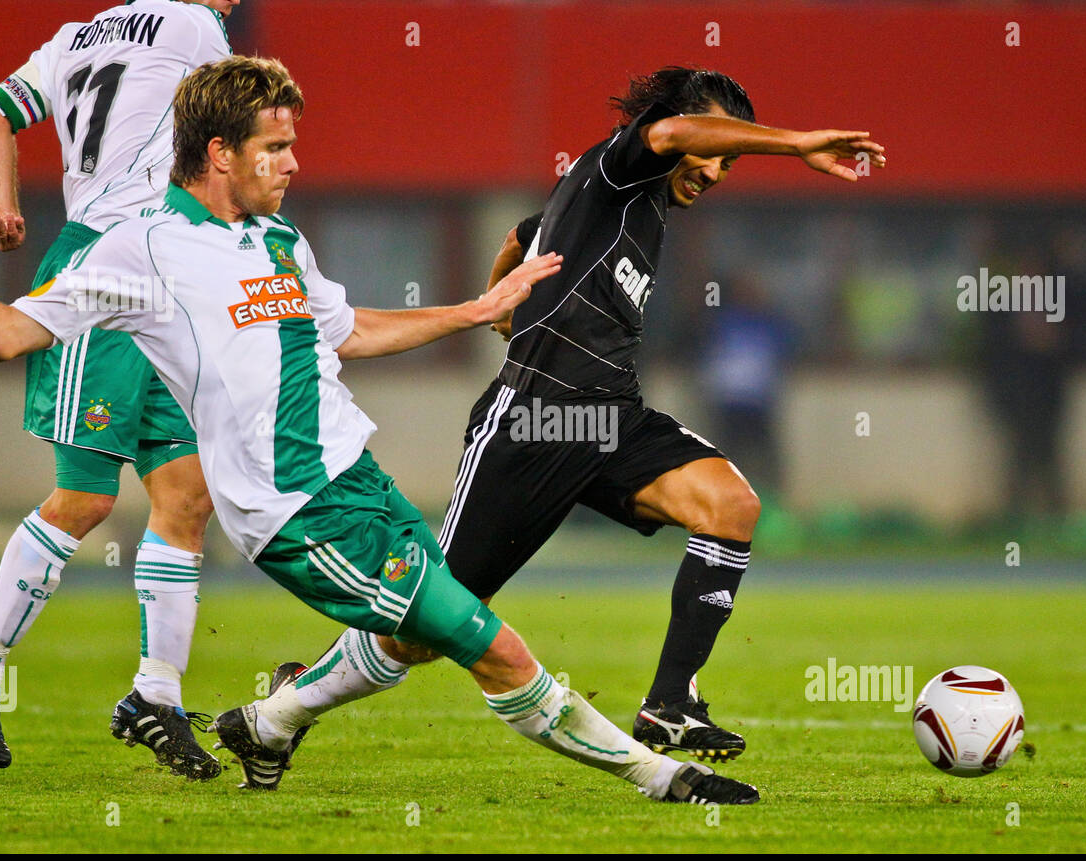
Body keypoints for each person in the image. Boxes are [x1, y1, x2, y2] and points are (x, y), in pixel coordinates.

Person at [0, 55, 759, 805]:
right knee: (494, 648)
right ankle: (663, 777)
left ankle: (269, 721)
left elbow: (350, 330)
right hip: (297, 515)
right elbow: (3, 335)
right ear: (220, 154)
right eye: (275, 149)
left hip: (361, 482)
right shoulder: (140, 251)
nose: (293, 163)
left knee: (414, 643)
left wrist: (474, 309)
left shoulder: (277, 237)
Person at [329, 68, 885, 762]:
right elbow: (673, 133)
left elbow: (524, 230)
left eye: (729, 162)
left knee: (731, 506)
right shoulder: (619, 165)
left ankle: (669, 706)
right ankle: (298, 692)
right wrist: (796, 143)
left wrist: (502, 293)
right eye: (711, 149)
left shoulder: (632, 207)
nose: (714, 169)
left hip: (608, 419)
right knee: (425, 628)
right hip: (534, 420)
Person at [0, 0, 240, 777]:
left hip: (164, 274)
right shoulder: (196, 28)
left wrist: (1, 207)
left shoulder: (72, 38)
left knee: (186, 495)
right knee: (86, 497)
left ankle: (155, 696)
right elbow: (231, 135)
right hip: (110, 269)